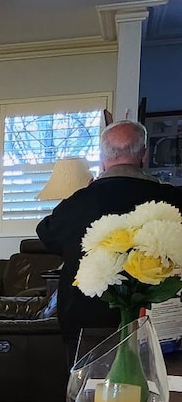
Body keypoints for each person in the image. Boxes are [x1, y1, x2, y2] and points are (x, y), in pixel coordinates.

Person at [36, 120, 182, 360]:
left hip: (87, 320)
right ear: (144, 155)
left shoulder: (80, 201)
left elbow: (47, 235)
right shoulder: (173, 200)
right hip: (157, 324)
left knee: (87, 382)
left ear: (103, 158)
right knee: (155, 380)